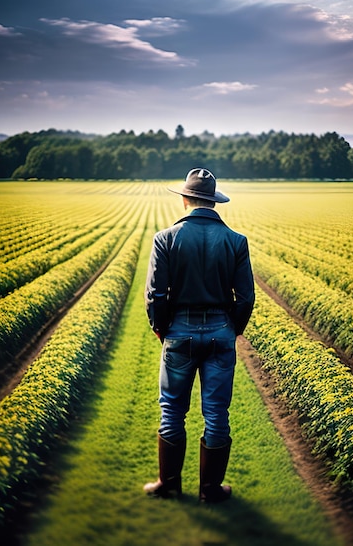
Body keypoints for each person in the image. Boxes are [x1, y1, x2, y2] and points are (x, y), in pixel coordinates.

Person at [144, 168, 255, 503]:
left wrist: (163, 329)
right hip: (221, 332)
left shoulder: (166, 238)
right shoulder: (236, 241)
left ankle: (169, 485)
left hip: (179, 331)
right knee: (217, 412)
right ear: (213, 202)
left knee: (172, 410)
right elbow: (246, 298)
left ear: (185, 199)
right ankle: (210, 490)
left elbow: (156, 295)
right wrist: (230, 329)